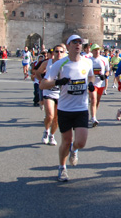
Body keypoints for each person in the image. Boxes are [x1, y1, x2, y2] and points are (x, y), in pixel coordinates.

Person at [40, 34, 96, 182]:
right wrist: (58, 81)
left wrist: (91, 84)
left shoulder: (87, 62)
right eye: (74, 42)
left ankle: (74, 150)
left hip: (81, 108)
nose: (78, 45)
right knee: (66, 141)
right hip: (65, 109)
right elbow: (43, 85)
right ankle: (62, 168)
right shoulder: (59, 64)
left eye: (80, 42)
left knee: (81, 142)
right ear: (68, 46)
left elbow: (91, 76)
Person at [35, 44, 66, 146]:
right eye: (56, 51)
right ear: (53, 53)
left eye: (61, 52)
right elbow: (37, 72)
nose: (58, 54)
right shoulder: (47, 63)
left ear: (64, 53)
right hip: (48, 91)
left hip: (60, 93)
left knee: (56, 118)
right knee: (50, 115)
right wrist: (42, 82)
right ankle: (46, 131)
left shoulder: (66, 64)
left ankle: (52, 135)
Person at [88, 44, 109, 127]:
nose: (97, 51)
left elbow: (107, 70)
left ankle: (94, 115)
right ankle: (93, 118)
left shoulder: (104, 59)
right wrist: (89, 82)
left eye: (98, 50)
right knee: (93, 99)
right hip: (92, 83)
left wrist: (105, 76)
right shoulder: (89, 60)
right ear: (92, 51)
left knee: (97, 101)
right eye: (95, 50)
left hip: (101, 83)